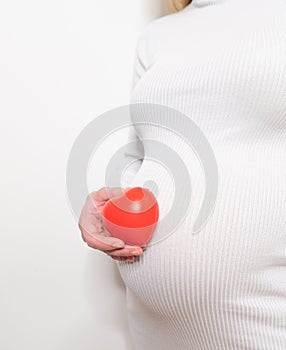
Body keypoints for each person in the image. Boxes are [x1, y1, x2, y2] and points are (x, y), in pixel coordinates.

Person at [78, 0, 286, 348]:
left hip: (268, 316)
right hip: (155, 328)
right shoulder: (158, 36)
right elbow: (140, 158)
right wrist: (106, 208)